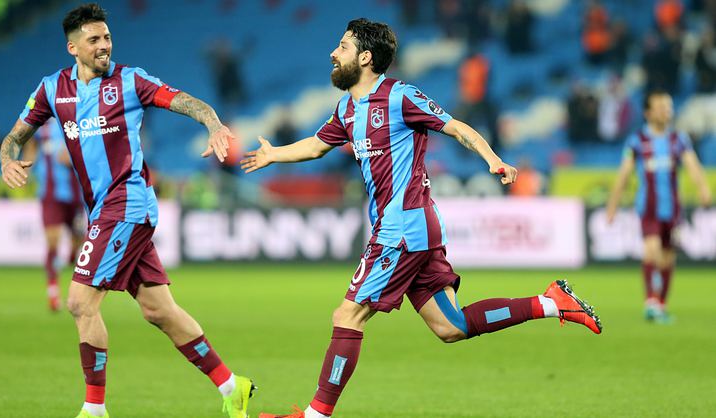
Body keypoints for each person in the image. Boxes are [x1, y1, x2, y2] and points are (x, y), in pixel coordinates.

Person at [242, 18, 603, 418]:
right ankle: (551, 303)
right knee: (451, 327)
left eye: (342, 47)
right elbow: (316, 146)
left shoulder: (400, 96)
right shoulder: (347, 108)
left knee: (347, 315)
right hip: (416, 229)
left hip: (401, 227)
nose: (333, 53)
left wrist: (493, 159)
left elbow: (456, 127)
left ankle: (315, 415)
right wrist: (273, 154)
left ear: (366, 57)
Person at [0, 4, 254, 418]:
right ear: (73, 47)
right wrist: (7, 159)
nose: (104, 46)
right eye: (94, 40)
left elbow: (185, 101)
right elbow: (14, 136)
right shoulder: (51, 89)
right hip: (104, 209)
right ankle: (231, 385)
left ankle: (94, 409)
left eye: (107, 37)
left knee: (80, 302)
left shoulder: (130, 81)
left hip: (127, 203)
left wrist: (212, 123)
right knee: (159, 310)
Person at [606, 90, 711, 322]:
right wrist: (612, 206)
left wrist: (703, 188)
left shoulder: (679, 139)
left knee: (667, 258)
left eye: (669, 107)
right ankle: (650, 302)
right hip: (648, 208)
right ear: (648, 113)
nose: (666, 112)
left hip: (672, 210)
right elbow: (623, 175)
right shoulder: (637, 141)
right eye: (661, 107)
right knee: (651, 251)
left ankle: (661, 304)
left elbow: (692, 165)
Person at [22, 118, 85, 311]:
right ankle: (53, 293)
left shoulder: (79, 122)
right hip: (50, 196)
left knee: (78, 243)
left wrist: (74, 155)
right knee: (52, 241)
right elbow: (31, 146)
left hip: (77, 196)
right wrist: (25, 170)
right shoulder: (43, 127)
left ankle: (71, 257)